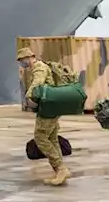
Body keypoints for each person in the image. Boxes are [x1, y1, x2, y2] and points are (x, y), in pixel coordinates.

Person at [18, 47, 69, 186]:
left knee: (40, 137)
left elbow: (37, 84)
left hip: (48, 108)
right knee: (52, 138)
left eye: (22, 60)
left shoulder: (39, 68)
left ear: (29, 57)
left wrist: (28, 97)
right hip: (51, 106)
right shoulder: (40, 66)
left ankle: (60, 168)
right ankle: (60, 170)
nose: (21, 63)